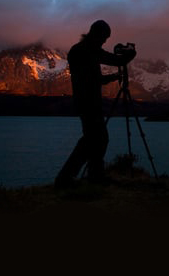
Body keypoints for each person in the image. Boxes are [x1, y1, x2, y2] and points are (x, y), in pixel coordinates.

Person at [54, 20, 136, 189]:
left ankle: (88, 175)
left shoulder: (83, 50)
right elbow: (112, 60)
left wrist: (112, 77)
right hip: (88, 102)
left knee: (94, 139)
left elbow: (95, 78)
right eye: (104, 37)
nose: (105, 41)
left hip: (87, 101)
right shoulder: (85, 51)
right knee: (95, 139)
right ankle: (70, 177)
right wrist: (129, 56)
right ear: (96, 34)